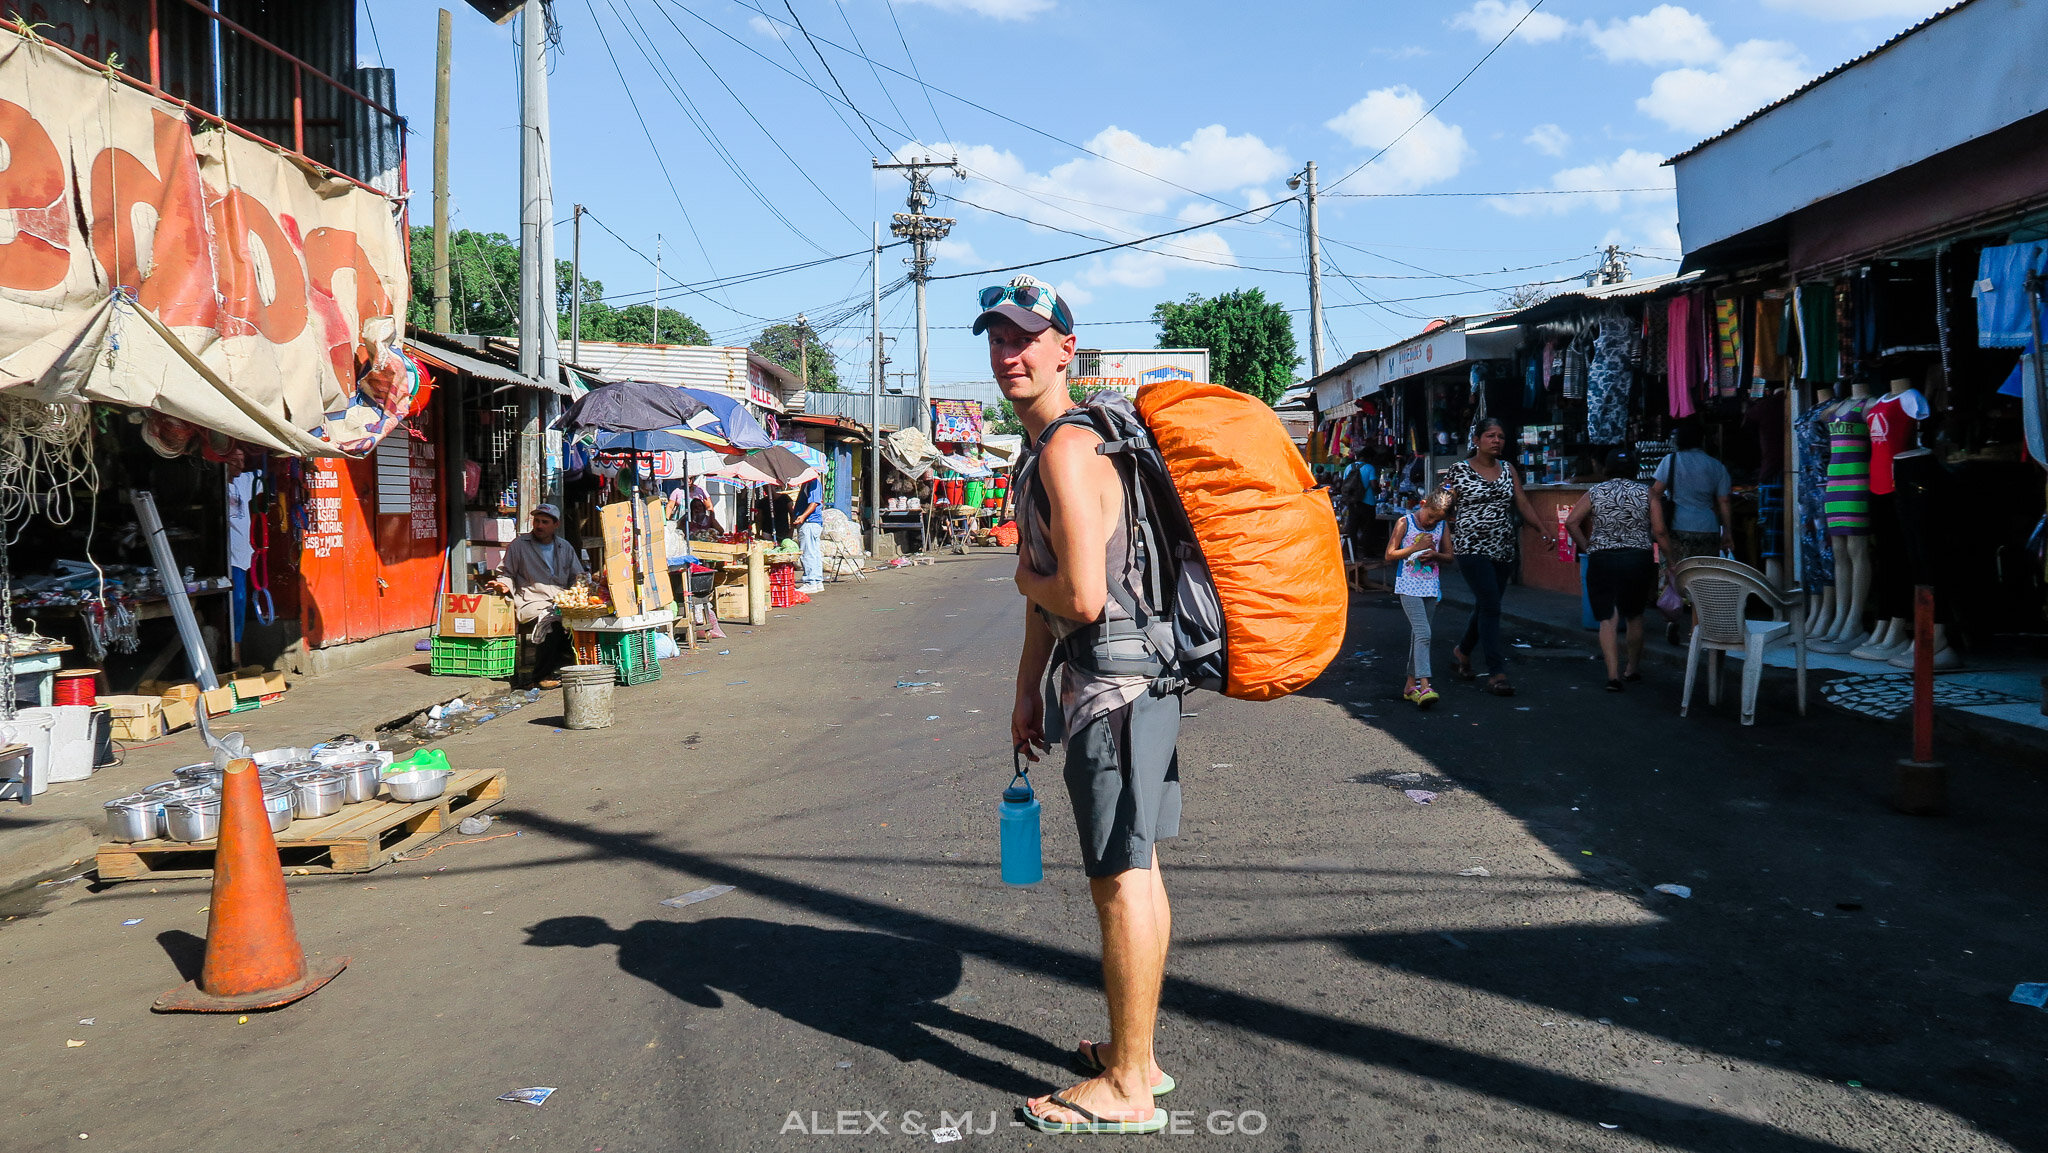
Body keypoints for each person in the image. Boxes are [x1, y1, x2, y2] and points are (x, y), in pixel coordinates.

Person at [987, 274, 1173, 1136]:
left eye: (1028, 337)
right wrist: (1027, 688)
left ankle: (1130, 1082)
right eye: (997, 336)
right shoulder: (1065, 443)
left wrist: (1023, 573)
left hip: (1115, 687)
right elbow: (1051, 602)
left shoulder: (1064, 449)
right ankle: (1135, 1051)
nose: (1009, 352)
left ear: (1068, 347)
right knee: (1139, 867)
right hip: (1129, 683)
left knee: (1118, 875)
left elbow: (1080, 596)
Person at [1444, 417, 1553, 697]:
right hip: (1471, 547)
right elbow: (1441, 504)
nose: (1497, 441)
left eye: (1501, 437)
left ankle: (1463, 651)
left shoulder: (1508, 469)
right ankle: (1496, 672)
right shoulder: (1459, 470)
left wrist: (1542, 529)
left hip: (1503, 547)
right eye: (1491, 436)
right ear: (1477, 440)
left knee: (1486, 603)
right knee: (1491, 605)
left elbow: (1522, 502)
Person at [1566, 450, 1660, 692]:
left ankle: (1612, 676)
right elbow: (1659, 530)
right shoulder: (1647, 493)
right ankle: (1632, 668)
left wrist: (1588, 547)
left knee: (1607, 618)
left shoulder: (1596, 492)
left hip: (1602, 558)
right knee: (1635, 615)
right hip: (1638, 558)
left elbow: (1571, 522)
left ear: (1606, 469)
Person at [1649, 420, 1734, 642]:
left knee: (1674, 572)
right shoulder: (1716, 466)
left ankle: (1672, 619)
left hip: (1677, 526)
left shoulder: (1671, 461)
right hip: (1707, 527)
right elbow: (1724, 501)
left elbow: (1655, 493)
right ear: (1703, 440)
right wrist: (1728, 532)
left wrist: (1657, 522)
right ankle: (1695, 630)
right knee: (1702, 579)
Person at [487, 503, 587, 688]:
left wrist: (580, 590)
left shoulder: (564, 547)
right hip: (531, 601)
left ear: (555, 525)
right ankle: (540, 676)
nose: (539, 526)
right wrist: (503, 585)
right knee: (551, 624)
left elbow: (577, 576)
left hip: (561, 600)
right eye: (537, 521)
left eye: (545, 522)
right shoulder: (519, 545)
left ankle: (569, 668)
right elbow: (507, 573)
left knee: (580, 622)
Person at [1387, 489, 1454, 709]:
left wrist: (1434, 555)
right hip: (1407, 586)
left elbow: (1449, 557)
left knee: (1419, 635)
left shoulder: (1442, 526)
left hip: (1431, 587)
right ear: (1423, 504)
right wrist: (1416, 548)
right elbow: (1389, 554)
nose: (1431, 522)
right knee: (1424, 633)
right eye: (1430, 516)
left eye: (1437, 519)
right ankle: (1425, 685)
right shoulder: (1404, 522)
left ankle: (1409, 686)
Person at [794, 476, 825, 594]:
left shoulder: (813, 483)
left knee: (808, 553)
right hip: (811, 523)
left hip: (809, 522)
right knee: (814, 552)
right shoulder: (808, 483)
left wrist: (803, 516)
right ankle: (817, 581)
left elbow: (814, 502)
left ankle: (810, 581)